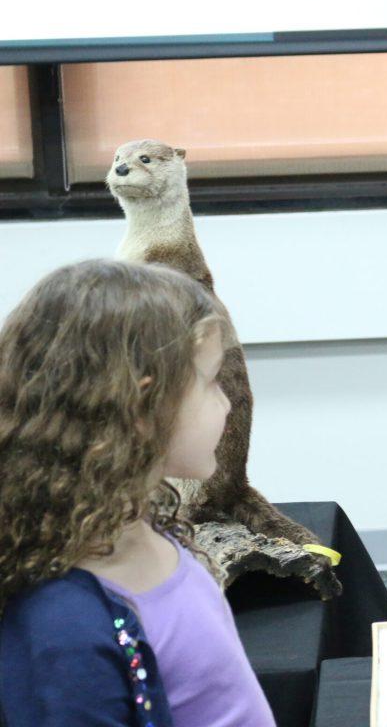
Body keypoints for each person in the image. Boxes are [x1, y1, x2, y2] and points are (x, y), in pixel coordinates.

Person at [0, 260, 275, 726]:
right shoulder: (64, 629)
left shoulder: (138, 522)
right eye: (211, 384)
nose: (227, 403)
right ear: (145, 405)